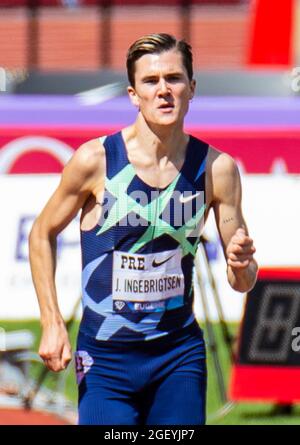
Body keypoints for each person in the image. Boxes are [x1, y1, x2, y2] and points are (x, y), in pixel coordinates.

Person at [29, 33, 258, 425]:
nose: (164, 90)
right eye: (151, 82)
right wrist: (51, 323)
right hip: (106, 359)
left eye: (174, 78)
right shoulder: (96, 160)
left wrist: (241, 265)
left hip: (178, 356)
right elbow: (41, 233)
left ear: (192, 88)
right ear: (133, 94)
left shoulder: (217, 169)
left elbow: (244, 281)